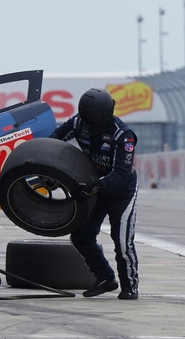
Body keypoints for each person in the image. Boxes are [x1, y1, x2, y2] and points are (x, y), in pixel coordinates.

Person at [49, 88, 139, 300]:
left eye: (94, 120)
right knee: (81, 236)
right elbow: (54, 140)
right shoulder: (78, 122)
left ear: (106, 114)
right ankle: (105, 278)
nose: (89, 123)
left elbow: (121, 174)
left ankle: (130, 286)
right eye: (86, 118)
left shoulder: (123, 135)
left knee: (123, 242)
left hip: (121, 192)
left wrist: (96, 187)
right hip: (95, 187)